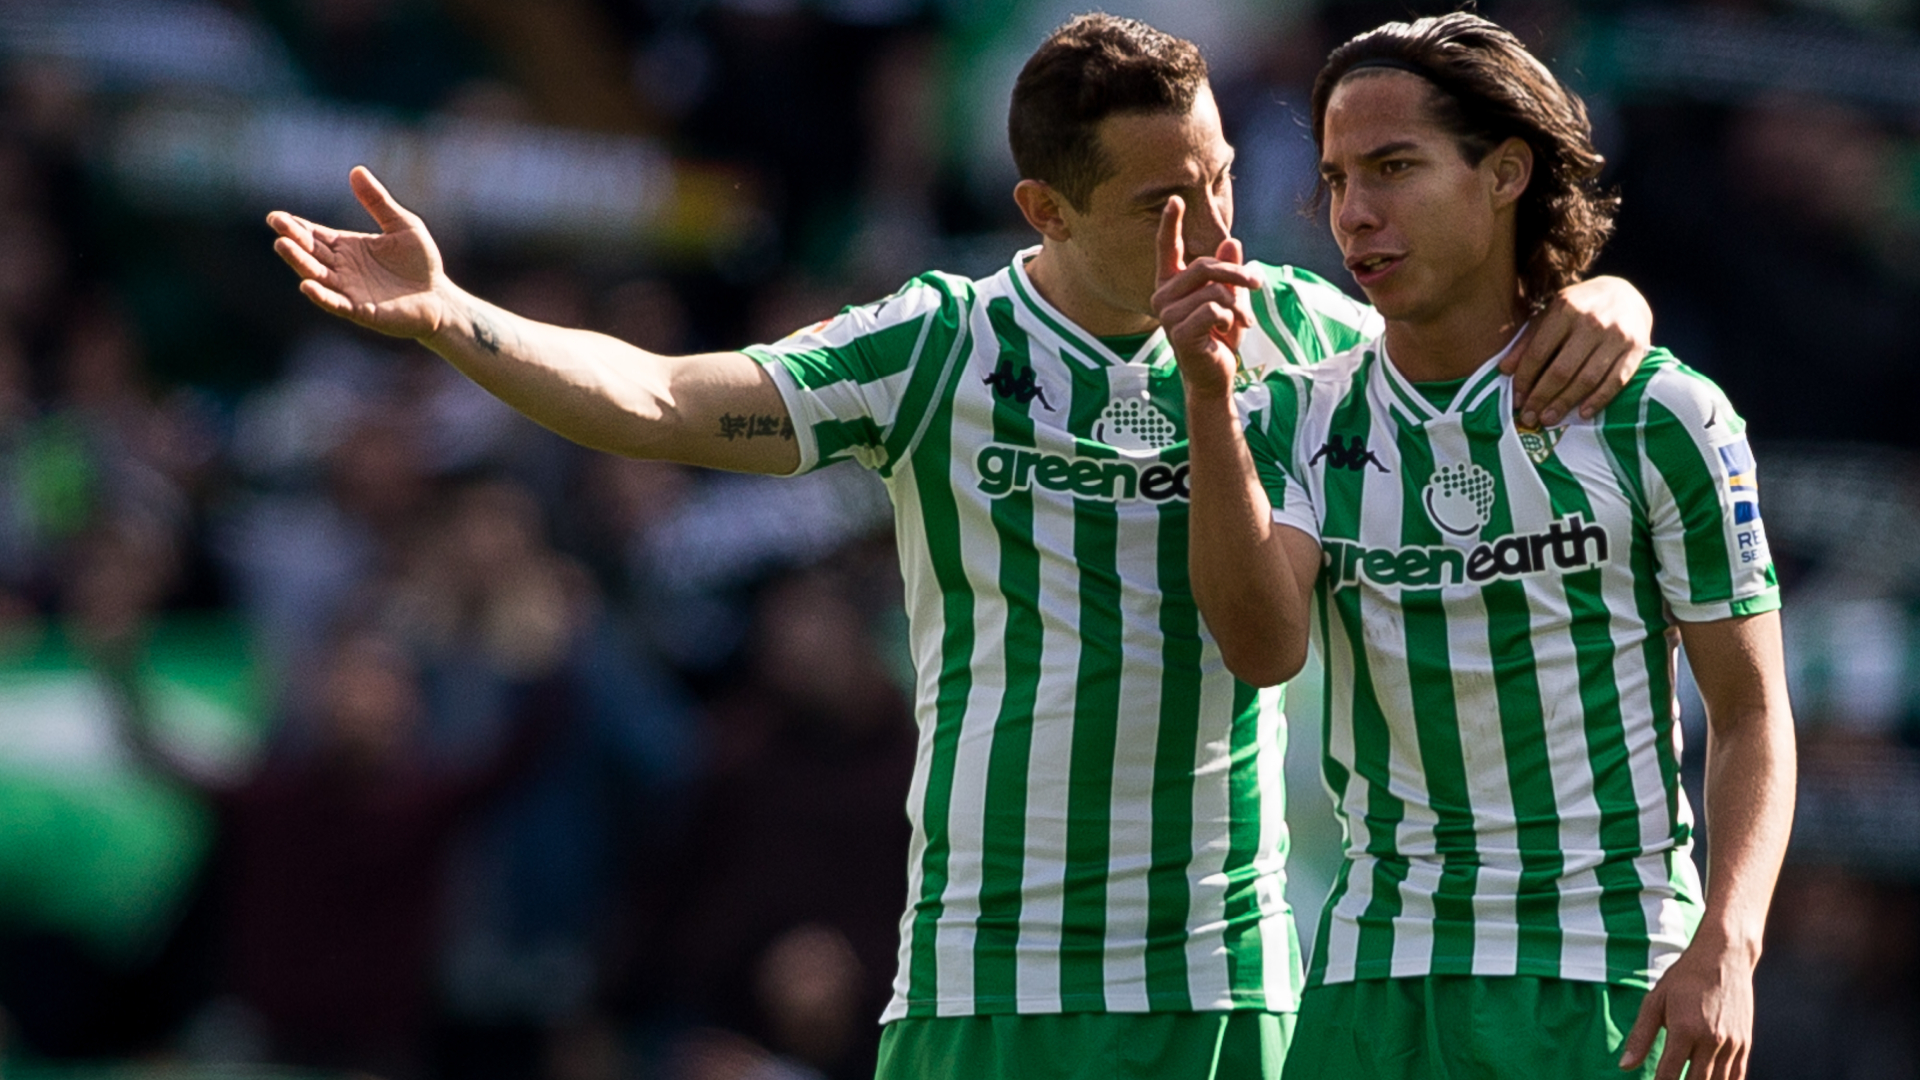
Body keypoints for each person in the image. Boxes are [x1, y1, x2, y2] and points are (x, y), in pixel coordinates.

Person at [267, 14, 1657, 1078]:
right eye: (1162, 203)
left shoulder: (1308, 337)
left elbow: (1494, 341)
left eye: (1225, 177)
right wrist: (458, 318)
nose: (1215, 229)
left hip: (1224, 979)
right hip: (983, 972)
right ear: (1046, 213)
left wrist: (1611, 294)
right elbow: (671, 399)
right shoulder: (947, 345)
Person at [1158, 12, 1795, 1080]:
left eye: (1395, 168)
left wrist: (1728, 941)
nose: (1355, 216)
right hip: (1374, 979)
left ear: (1505, 172)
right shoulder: (1298, 416)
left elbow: (1750, 708)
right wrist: (1209, 401)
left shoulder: (1660, 413)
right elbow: (1262, 650)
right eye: (1336, 179)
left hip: (1607, 975)